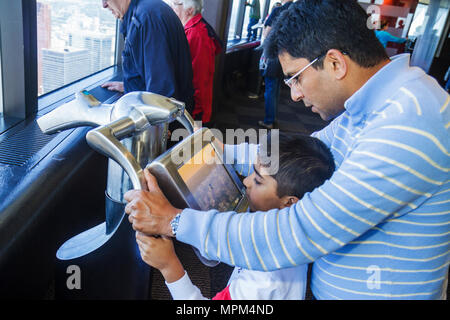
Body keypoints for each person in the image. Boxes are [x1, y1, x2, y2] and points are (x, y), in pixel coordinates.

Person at [124, 0, 450, 300]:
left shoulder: (408, 119)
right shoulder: (380, 104)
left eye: (295, 78)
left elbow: (299, 230)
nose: (294, 95)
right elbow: (307, 154)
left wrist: (173, 222)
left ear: (335, 62)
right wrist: (222, 150)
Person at [135, 133, 336, 300]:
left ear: (290, 202)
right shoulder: (293, 231)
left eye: (258, 180)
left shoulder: (263, 283)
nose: (246, 182)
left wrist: (169, 266)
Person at [100, 0, 194, 114]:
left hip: (168, 121)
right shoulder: (146, 10)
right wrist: (131, 87)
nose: (104, 5)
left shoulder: (147, 18)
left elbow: (161, 91)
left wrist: (159, 128)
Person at [168, 0, 222, 125]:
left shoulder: (197, 34)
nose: (171, 7)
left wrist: (194, 114)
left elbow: (199, 79)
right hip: (191, 105)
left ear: (190, 10)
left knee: (192, 143)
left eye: (176, 4)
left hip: (195, 110)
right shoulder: (190, 30)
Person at [258, 0, 293, 129]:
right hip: (287, 57)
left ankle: (268, 120)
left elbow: (267, 33)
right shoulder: (296, 11)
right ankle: (273, 117)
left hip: (273, 54)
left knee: (270, 89)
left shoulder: (278, 11)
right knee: (276, 88)